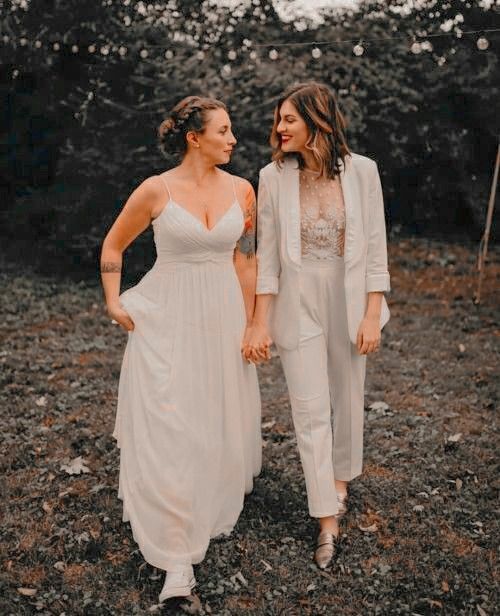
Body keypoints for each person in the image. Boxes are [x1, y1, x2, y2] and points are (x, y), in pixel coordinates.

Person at [100, 95, 262, 601]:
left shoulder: (244, 190)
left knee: (211, 415)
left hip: (223, 318)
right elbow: (112, 246)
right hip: (166, 316)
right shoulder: (156, 189)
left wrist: (255, 323)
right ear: (195, 138)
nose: (233, 140)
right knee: (171, 422)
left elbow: (246, 263)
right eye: (224, 131)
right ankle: (177, 560)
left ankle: (205, 493)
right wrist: (112, 300)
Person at [246, 82, 390, 569]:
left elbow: (375, 246)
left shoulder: (363, 172)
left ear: (317, 120)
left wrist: (373, 311)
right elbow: (266, 260)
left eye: (288, 118)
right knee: (308, 409)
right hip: (296, 301)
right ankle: (325, 518)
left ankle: (342, 479)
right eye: (278, 119)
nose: (279, 127)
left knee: (348, 396)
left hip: (349, 301)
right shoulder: (272, 177)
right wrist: (259, 322)